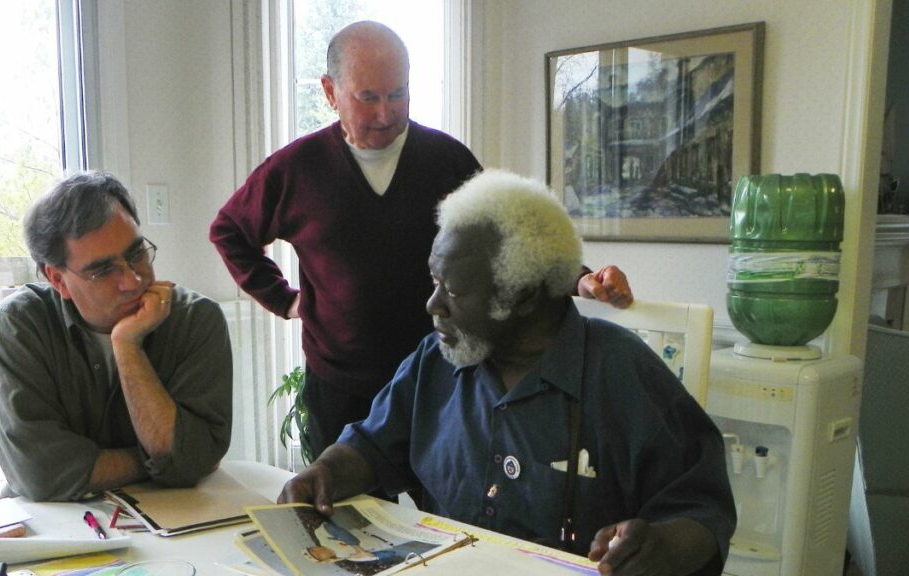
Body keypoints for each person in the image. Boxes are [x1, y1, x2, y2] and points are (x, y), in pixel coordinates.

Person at [209, 20, 633, 460]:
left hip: (439, 378)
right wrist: (285, 299)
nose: (385, 113)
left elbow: (512, 237)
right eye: (367, 97)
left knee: (450, 515)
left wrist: (581, 280)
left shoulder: (445, 159)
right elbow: (229, 232)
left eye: (398, 94)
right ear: (330, 92)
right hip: (338, 387)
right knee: (341, 515)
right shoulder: (295, 169)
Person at [279, 170, 735, 576]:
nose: (432, 305)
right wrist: (326, 472)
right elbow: (374, 445)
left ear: (524, 297)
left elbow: (702, 509)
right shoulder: (435, 361)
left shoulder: (622, 372)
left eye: (452, 290)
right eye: (433, 281)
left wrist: (662, 546)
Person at [0, 172, 233, 501]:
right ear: (58, 279)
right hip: (54, 524)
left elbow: (195, 459)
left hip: (175, 519)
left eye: (136, 254)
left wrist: (127, 345)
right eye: (103, 271)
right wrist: (154, 459)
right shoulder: (19, 326)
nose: (132, 280)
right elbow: (41, 474)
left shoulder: (196, 319)